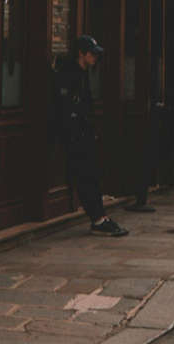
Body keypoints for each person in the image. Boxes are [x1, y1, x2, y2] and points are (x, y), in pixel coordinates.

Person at [50, 36, 127, 237]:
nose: (95, 57)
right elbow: (67, 107)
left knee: (92, 175)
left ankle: (100, 216)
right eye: (91, 53)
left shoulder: (83, 74)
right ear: (81, 53)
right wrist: (75, 132)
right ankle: (98, 219)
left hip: (83, 133)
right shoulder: (70, 74)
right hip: (75, 135)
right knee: (85, 176)